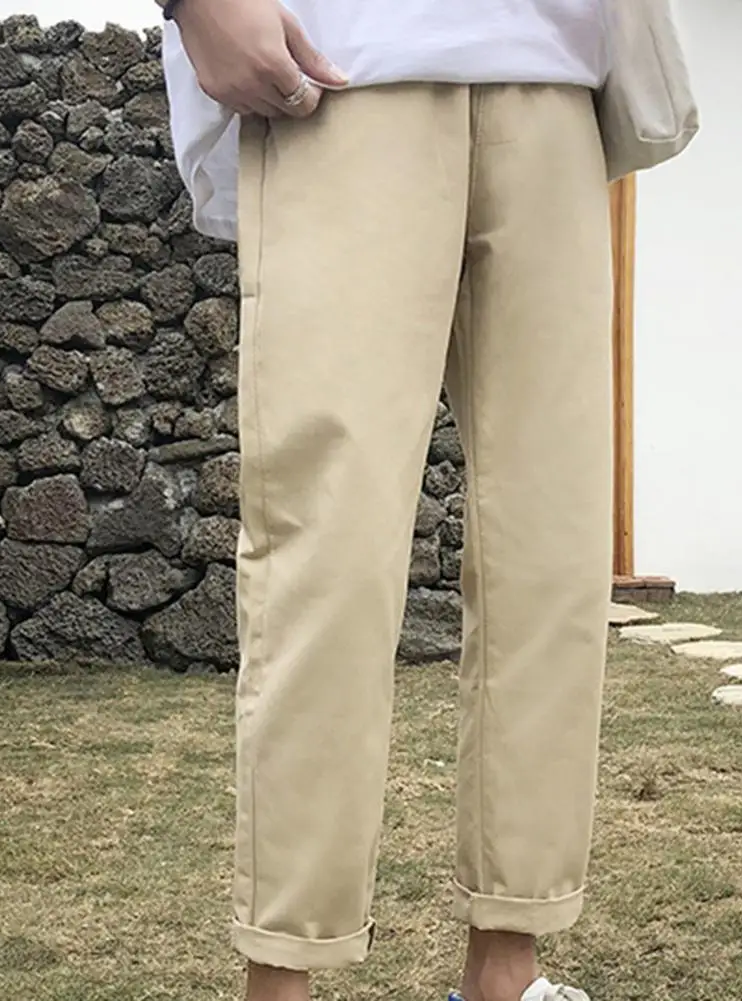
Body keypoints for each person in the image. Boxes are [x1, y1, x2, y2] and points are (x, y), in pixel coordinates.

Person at [156, 2, 697, 1000]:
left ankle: (505, 973)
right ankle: (280, 982)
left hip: (557, 78)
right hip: (341, 72)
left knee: (553, 560)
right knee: (326, 554)